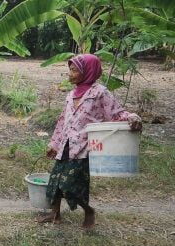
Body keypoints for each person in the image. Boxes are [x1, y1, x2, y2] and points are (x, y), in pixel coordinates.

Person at [37, 54, 142, 229]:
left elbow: (116, 113)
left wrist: (132, 117)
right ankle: (55, 214)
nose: (69, 74)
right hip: (66, 144)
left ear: (87, 72)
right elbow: (62, 121)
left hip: (85, 146)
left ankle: (89, 211)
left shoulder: (99, 92)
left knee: (70, 185)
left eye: (74, 70)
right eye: (69, 70)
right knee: (55, 181)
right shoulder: (71, 94)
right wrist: (54, 144)